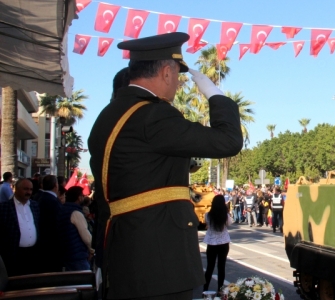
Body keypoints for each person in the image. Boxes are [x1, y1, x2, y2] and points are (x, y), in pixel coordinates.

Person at [88, 32, 243, 299]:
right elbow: (228, 141)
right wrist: (215, 95)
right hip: (159, 264)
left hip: (127, 255)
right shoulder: (153, 114)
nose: (178, 85)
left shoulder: (110, 114)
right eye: (178, 77)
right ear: (167, 72)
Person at [0, 178, 39, 276]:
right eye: (25, 189)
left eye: (30, 189)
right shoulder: (4, 207)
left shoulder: (34, 205)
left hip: (33, 253)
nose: (28, 192)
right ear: (16, 189)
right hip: (13, 254)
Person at [58, 186, 94, 271]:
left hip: (66, 254)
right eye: (82, 195)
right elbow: (86, 237)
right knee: (83, 281)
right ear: (79, 197)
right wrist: (92, 250)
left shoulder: (63, 209)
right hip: (77, 256)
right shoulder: (76, 213)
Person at [203, 195, 232, 294]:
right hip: (223, 242)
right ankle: (220, 290)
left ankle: (205, 289)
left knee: (209, 267)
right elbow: (229, 224)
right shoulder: (225, 215)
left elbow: (206, 223)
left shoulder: (208, 215)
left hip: (211, 242)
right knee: (221, 267)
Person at [35, 174, 63, 273]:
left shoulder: (38, 198)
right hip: (52, 247)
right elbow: (58, 224)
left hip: (41, 244)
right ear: (56, 185)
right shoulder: (53, 202)